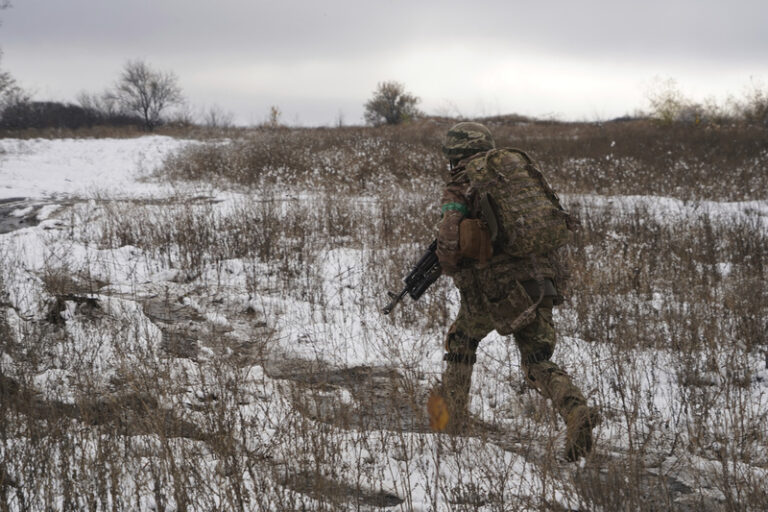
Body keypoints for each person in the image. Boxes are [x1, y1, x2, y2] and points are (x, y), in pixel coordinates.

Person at [434, 121, 599, 461]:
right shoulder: (512, 175)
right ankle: (575, 409)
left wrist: (450, 264)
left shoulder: (461, 184)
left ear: (455, 155)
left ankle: (451, 424)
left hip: (495, 288)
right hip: (541, 277)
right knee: (538, 358)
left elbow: (449, 239)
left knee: (461, 341)